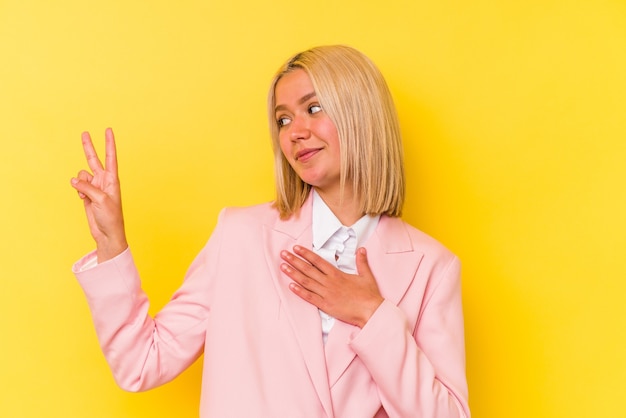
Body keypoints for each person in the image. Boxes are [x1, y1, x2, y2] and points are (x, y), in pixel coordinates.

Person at [70, 45, 470, 417]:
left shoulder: (432, 267)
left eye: (313, 108)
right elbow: (142, 363)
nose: (294, 132)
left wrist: (372, 313)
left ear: (361, 114)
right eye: (283, 119)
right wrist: (111, 243)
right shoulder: (240, 237)